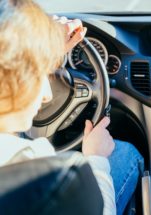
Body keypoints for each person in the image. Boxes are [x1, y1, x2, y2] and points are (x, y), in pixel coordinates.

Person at [0, 1, 143, 215]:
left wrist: (43, 55)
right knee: (126, 152)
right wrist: (96, 158)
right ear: (14, 82)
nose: (48, 94)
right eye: (39, 76)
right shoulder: (45, 171)